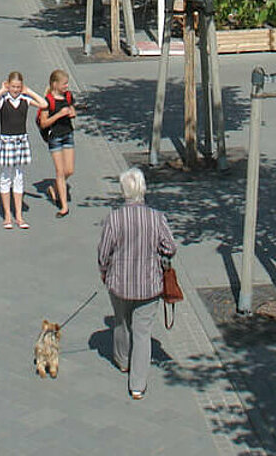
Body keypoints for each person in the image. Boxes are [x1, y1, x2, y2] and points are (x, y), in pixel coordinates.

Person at [96, 167, 179, 400]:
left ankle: (123, 360)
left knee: (121, 322)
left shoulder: (114, 218)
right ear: (143, 189)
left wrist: (104, 271)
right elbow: (170, 247)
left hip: (119, 283)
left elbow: (103, 252)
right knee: (143, 332)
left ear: (123, 191)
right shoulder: (156, 217)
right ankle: (138, 384)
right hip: (149, 285)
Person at [0, 71, 37, 229]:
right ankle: (8, 215)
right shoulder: (3, 100)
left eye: (18, 87)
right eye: (13, 87)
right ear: (8, 85)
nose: (15, 90)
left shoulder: (24, 99)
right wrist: (2, 90)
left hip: (21, 141)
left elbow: (44, 104)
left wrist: (29, 91)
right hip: (7, 141)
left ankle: (19, 215)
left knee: (19, 178)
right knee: (6, 177)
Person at [37, 69, 77, 216]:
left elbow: (73, 110)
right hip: (55, 137)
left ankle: (54, 188)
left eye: (67, 83)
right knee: (60, 171)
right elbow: (43, 123)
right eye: (64, 84)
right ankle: (64, 206)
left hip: (68, 134)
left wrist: (71, 113)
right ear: (55, 84)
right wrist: (59, 115)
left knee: (69, 170)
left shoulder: (68, 96)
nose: (66, 86)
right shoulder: (47, 101)